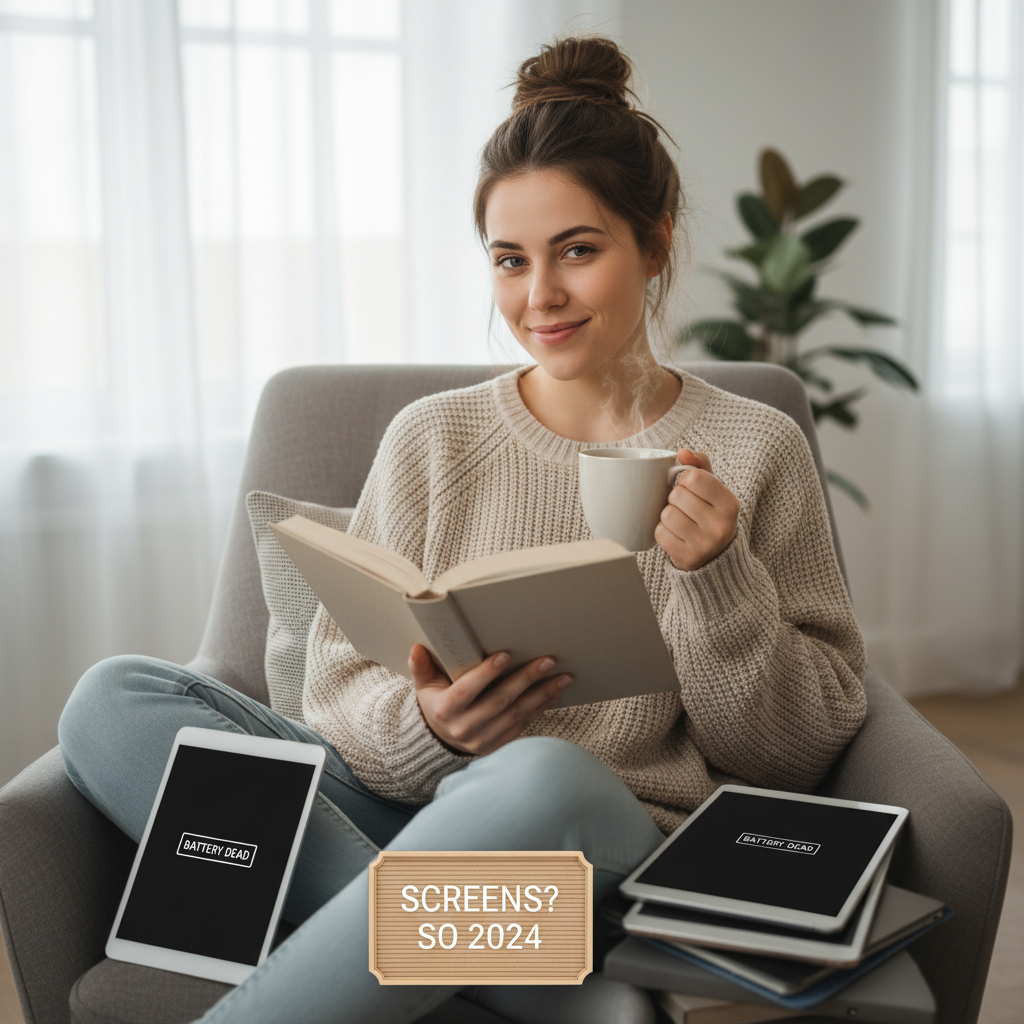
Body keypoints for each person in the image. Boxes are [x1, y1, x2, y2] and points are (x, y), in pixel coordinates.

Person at [58, 35, 867, 1024]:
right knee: (116, 698)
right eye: (509, 260)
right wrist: (432, 728)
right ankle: (557, 987)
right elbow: (333, 691)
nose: (540, 298)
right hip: (414, 806)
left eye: (577, 249)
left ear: (654, 241)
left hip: (604, 829)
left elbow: (800, 748)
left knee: (535, 768)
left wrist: (718, 579)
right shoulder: (433, 437)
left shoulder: (755, 444)